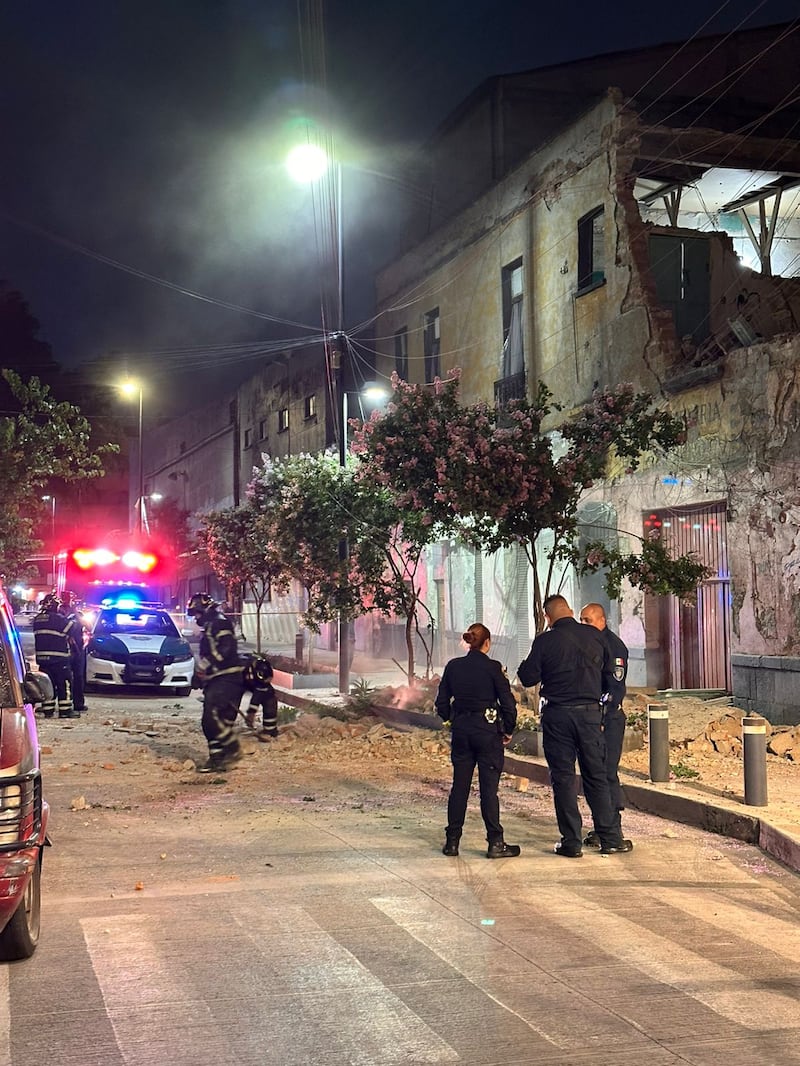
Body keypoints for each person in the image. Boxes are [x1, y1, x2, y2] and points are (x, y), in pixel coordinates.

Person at [517, 593, 632, 858]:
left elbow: (527, 676)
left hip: (558, 716)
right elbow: (611, 679)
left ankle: (572, 842)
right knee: (597, 776)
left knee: (563, 779)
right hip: (591, 716)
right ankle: (611, 838)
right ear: (569, 610)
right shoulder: (596, 637)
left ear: (548, 617)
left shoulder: (545, 641)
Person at [435, 622, 520, 859]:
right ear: (487, 643)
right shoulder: (493, 668)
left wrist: (452, 719)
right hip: (487, 732)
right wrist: (508, 728)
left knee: (459, 787)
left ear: (468, 642)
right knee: (488, 790)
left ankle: (452, 842)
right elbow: (508, 702)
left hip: (462, 731)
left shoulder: (454, 667)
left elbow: (441, 703)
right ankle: (495, 842)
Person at [579, 602, 629, 848]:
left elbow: (615, 689)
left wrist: (601, 715)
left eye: (588, 620)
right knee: (593, 774)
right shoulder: (586, 644)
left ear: (602, 621)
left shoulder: (613, 647)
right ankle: (602, 826)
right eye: (581, 620)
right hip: (590, 719)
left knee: (607, 773)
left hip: (608, 719)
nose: (583, 625)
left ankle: (613, 830)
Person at [187, 593, 245, 773]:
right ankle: (219, 759)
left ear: (203, 610)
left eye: (196, 613)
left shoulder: (218, 622)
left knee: (211, 718)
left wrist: (202, 668)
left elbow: (225, 648)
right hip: (222, 678)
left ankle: (231, 749)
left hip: (227, 679)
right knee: (218, 721)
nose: (195, 617)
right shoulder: (213, 624)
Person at [32, 594, 77, 718]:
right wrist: (72, 613)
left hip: (42, 660)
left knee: (48, 685)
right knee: (64, 683)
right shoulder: (59, 619)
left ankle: (48, 710)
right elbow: (73, 628)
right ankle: (65, 710)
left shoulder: (37, 619)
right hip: (59, 659)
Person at [61, 591, 88, 715]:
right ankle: (64, 704)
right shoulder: (58, 613)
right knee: (62, 678)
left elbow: (88, 626)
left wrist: (75, 612)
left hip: (77, 650)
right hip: (63, 650)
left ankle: (78, 704)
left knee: (78, 678)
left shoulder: (78, 614)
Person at [243, 654, 279, 740]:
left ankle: (270, 730)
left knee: (270, 705)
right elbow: (257, 696)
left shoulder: (263, 668)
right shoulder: (249, 669)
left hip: (264, 691)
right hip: (245, 683)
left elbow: (258, 695)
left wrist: (251, 713)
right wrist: (251, 713)